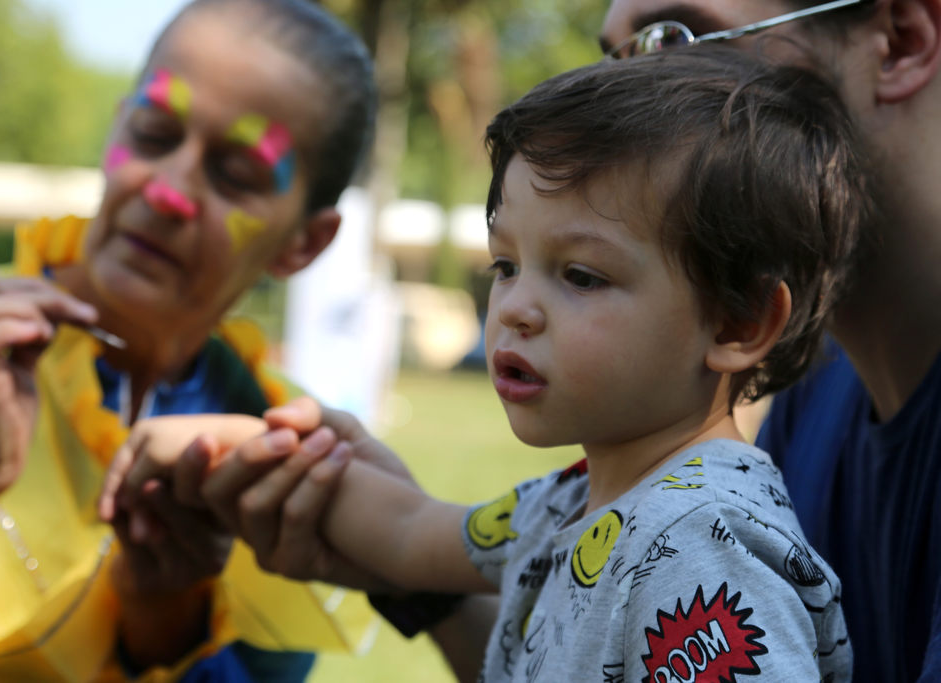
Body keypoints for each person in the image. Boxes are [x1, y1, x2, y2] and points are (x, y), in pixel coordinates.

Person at [104, 46, 876, 681]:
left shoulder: (708, 546)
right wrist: (225, 448)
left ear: (739, 321)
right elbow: (409, 531)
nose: (513, 308)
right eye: (505, 265)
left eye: (580, 275)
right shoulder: (572, 500)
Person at [0, 0, 378, 680]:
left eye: (236, 174)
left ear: (305, 242)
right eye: (156, 133)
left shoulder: (275, 461)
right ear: (116, 127)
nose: (168, 191)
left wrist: (164, 617)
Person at [597, 2, 941, 681]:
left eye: (671, 42)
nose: (611, 120)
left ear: (899, 43)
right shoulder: (818, 390)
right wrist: (408, 561)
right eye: (616, 65)